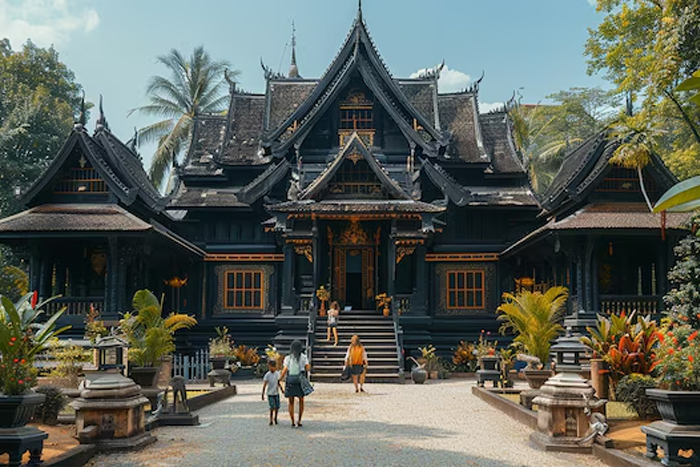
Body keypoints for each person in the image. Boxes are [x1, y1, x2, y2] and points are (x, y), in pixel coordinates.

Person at [280, 340, 310, 427]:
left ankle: (292, 421)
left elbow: (285, 370)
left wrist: (280, 378)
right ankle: (299, 420)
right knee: (301, 400)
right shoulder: (304, 357)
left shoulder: (288, 358)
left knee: (291, 401)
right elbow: (307, 368)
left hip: (290, 379)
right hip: (300, 379)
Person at [262, 359, 283, 425]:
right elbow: (265, 384)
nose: (272, 368)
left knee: (277, 406)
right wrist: (263, 393)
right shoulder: (267, 375)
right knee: (272, 407)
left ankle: (275, 418)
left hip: (276, 393)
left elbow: (278, 382)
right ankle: (271, 419)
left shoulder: (277, 374)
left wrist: (282, 389)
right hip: (270, 393)